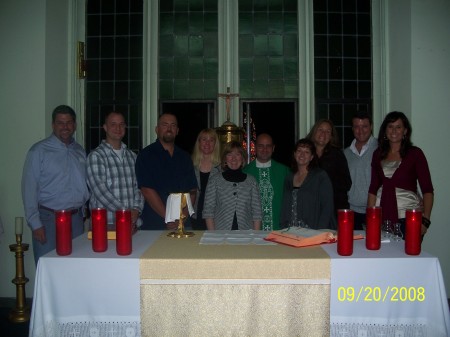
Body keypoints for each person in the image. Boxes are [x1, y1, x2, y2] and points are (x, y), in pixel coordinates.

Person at [21, 105, 89, 263]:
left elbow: (83, 184)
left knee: (75, 266)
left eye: (69, 122)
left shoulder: (79, 151)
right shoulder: (38, 151)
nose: (65, 127)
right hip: (48, 220)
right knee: (48, 265)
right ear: (53, 125)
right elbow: (28, 188)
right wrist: (35, 223)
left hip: (76, 220)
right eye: (60, 123)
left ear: (75, 125)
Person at [368, 111, 434, 238]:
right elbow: (373, 189)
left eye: (398, 127)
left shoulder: (415, 154)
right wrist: (371, 218)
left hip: (409, 219)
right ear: (385, 130)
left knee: (408, 256)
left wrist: (425, 221)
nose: (394, 131)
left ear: (405, 131)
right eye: (390, 126)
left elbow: (427, 190)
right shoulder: (377, 154)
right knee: (382, 256)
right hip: (381, 219)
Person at [135, 113, 197, 230]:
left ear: (177, 130)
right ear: (157, 129)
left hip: (183, 225)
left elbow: (192, 191)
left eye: (173, 125)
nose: (169, 128)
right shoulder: (146, 155)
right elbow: (147, 191)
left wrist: (182, 217)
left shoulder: (185, 157)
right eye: (165, 125)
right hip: (156, 224)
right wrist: (169, 218)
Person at [87, 111, 144, 230]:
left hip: (132, 224)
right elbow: (100, 191)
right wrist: (126, 213)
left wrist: (137, 209)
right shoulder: (96, 156)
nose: (118, 128)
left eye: (121, 124)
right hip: (106, 224)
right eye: (113, 124)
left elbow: (139, 188)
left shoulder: (133, 157)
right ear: (105, 127)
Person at [203, 141, 262, 230]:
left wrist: (255, 236)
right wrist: (213, 235)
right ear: (225, 158)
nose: (234, 159)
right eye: (230, 154)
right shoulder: (214, 181)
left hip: (246, 235)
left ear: (242, 158)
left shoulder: (251, 181)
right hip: (221, 235)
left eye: (238, 154)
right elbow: (208, 212)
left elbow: (257, 213)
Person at [280, 138, 336, 230]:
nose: (302, 154)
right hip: (291, 230)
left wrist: (320, 231)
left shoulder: (320, 176)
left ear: (312, 157)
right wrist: (283, 227)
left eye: (306, 152)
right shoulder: (289, 177)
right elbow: (285, 206)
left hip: (313, 230)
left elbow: (327, 207)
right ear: (294, 154)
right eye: (299, 151)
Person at [243, 133, 290, 231]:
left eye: (268, 146)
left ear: (273, 148)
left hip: (280, 229)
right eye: (261, 146)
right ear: (255, 147)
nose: (264, 149)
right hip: (252, 230)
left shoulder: (284, 171)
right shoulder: (245, 172)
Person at [307, 119, 352, 214]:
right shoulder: (304, 152)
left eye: (328, 131)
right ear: (314, 132)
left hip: (333, 207)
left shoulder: (337, 154)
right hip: (309, 206)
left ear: (331, 136)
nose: (323, 133)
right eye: (320, 129)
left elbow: (346, 183)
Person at [344, 111, 378, 229]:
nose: (361, 130)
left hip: (376, 210)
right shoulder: (345, 153)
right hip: (352, 211)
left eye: (365, 126)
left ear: (371, 127)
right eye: (357, 127)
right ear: (352, 129)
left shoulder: (381, 148)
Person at [191, 128, 222, 230]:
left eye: (211, 140)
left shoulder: (222, 167)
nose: (207, 143)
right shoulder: (189, 165)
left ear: (215, 144)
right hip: (194, 215)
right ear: (199, 142)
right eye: (204, 139)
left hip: (215, 217)